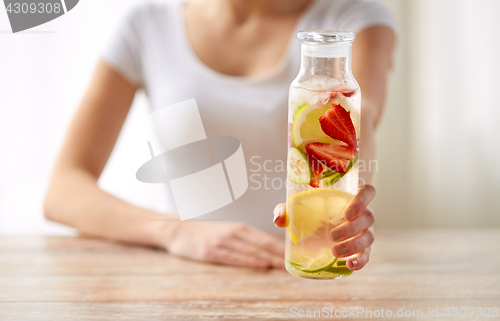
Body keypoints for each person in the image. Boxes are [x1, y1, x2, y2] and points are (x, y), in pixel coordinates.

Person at [44, 0, 395, 271]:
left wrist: (349, 209)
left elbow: (358, 125)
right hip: (185, 270)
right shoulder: (148, 24)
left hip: (305, 268)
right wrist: (175, 232)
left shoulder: (352, 19)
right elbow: (63, 190)